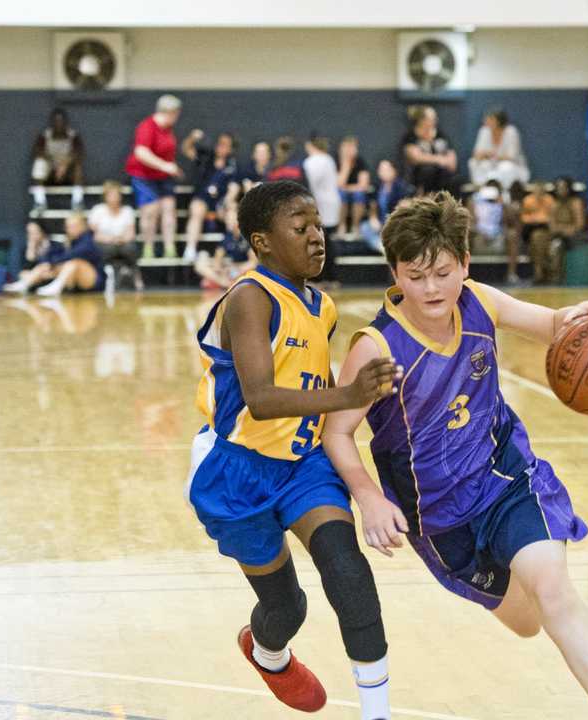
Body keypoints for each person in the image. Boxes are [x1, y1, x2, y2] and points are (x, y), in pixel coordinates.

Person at [320, 191, 588, 720]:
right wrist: (369, 499)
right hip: (441, 518)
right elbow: (337, 432)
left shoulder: (479, 301)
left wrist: (583, 318)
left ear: (465, 265)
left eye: (444, 272)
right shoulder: (376, 348)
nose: (432, 288)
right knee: (527, 620)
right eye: (416, 275)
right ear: (395, 274)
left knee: (554, 589)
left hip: (505, 478)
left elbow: (551, 325)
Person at [185, 180, 399, 719]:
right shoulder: (249, 298)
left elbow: (315, 382)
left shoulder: (320, 306)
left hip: (303, 465)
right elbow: (259, 398)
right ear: (262, 241)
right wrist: (348, 393)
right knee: (286, 606)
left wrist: (364, 407)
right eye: (299, 228)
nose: (315, 237)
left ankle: (377, 712)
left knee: (347, 570)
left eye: (318, 226)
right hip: (235, 471)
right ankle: (267, 653)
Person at [125, 95, 184, 260]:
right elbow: (141, 152)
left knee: (169, 210)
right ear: (170, 112)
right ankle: (148, 248)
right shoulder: (147, 126)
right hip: (144, 175)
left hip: (164, 177)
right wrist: (164, 165)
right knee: (150, 211)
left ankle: (169, 248)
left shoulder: (168, 130)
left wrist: (170, 167)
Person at [182, 130, 239, 264]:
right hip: (202, 198)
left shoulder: (233, 165)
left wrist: (227, 202)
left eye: (225, 145)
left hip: (220, 201)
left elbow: (233, 187)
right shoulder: (205, 157)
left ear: (230, 148)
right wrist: (192, 137)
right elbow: (186, 149)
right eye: (220, 143)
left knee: (233, 215)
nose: (221, 147)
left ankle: (232, 251)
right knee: (196, 210)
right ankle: (190, 250)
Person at [88, 180, 142, 293]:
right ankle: (107, 277)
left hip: (123, 242)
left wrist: (120, 239)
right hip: (104, 243)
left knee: (130, 248)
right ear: (105, 196)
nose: (114, 197)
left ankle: (135, 275)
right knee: (105, 249)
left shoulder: (127, 211)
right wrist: (111, 239)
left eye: (116, 194)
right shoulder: (98, 210)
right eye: (111, 195)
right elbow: (94, 234)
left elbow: (130, 233)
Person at [30, 108, 85, 212]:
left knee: (78, 167)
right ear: (52, 123)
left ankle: (77, 202)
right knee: (39, 164)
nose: (59, 124)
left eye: (61, 121)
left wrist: (64, 164)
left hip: (67, 174)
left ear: (66, 122)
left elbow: (79, 154)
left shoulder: (73, 136)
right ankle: (40, 202)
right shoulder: (45, 136)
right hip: (49, 174)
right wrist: (53, 164)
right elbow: (37, 152)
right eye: (56, 121)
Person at [303, 136, 341, 282]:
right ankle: (330, 276)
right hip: (331, 204)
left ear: (310, 145)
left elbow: (309, 184)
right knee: (327, 241)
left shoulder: (312, 162)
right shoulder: (328, 159)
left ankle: (322, 276)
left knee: (322, 241)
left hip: (321, 206)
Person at [401, 106, 458, 195]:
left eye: (435, 118)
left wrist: (434, 159)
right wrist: (440, 159)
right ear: (421, 120)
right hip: (419, 180)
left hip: (442, 181)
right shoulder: (411, 136)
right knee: (427, 170)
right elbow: (416, 157)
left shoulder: (440, 135)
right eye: (432, 118)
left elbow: (452, 162)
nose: (435, 120)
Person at [359, 160, 411, 254]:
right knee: (365, 227)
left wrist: (390, 223)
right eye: (381, 169)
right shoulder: (376, 187)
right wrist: (373, 218)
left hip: (395, 222)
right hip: (380, 223)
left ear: (394, 170)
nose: (383, 172)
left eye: (387, 169)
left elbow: (404, 207)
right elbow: (372, 205)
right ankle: (381, 247)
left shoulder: (402, 187)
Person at [468, 109, 529, 189]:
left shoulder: (511, 131)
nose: (486, 121)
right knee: (475, 163)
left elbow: (511, 156)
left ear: (499, 121)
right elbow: (477, 154)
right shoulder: (484, 131)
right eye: (486, 119)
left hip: (511, 166)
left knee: (505, 166)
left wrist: (493, 155)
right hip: (491, 165)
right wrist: (487, 154)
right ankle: (483, 192)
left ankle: (505, 194)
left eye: (490, 119)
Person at [543, 177, 586, 284]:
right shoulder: (554, 204)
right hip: (557, 235)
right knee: (539, 238)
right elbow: (552, 226)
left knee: (558, 245)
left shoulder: (576, 202)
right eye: (558, 188)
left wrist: (566, 230)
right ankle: (541, 276)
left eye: (563, 187)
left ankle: (560, 278)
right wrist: (562, 230)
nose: (561, 190)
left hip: (574, 236)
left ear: (569, 188)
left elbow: (579, 224)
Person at [336, 136, 371, 235]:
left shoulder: (360, 161)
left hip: (354, 191)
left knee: (359, 194)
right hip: (339, 192)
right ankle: (341, 226)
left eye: (351, 147)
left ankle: (355, 226)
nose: (348, 150)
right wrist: (346, 164)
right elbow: (338, 184)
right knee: (341, 194)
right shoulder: (335, 160)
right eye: (346, 147)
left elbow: (364, 185)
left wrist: (347, 188)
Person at [520, 183, 554, 282]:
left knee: (538, 238)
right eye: (537, 191)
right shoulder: (528, 200)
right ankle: (540, 271)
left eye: (541, 191)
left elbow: (551, 217)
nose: (539, 193)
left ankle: (539, 271)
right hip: (530, 230)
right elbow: (523, 217)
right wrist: (535, 219)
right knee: (536, 238)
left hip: (547, 230)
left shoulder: (549, 199)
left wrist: (542, 219)